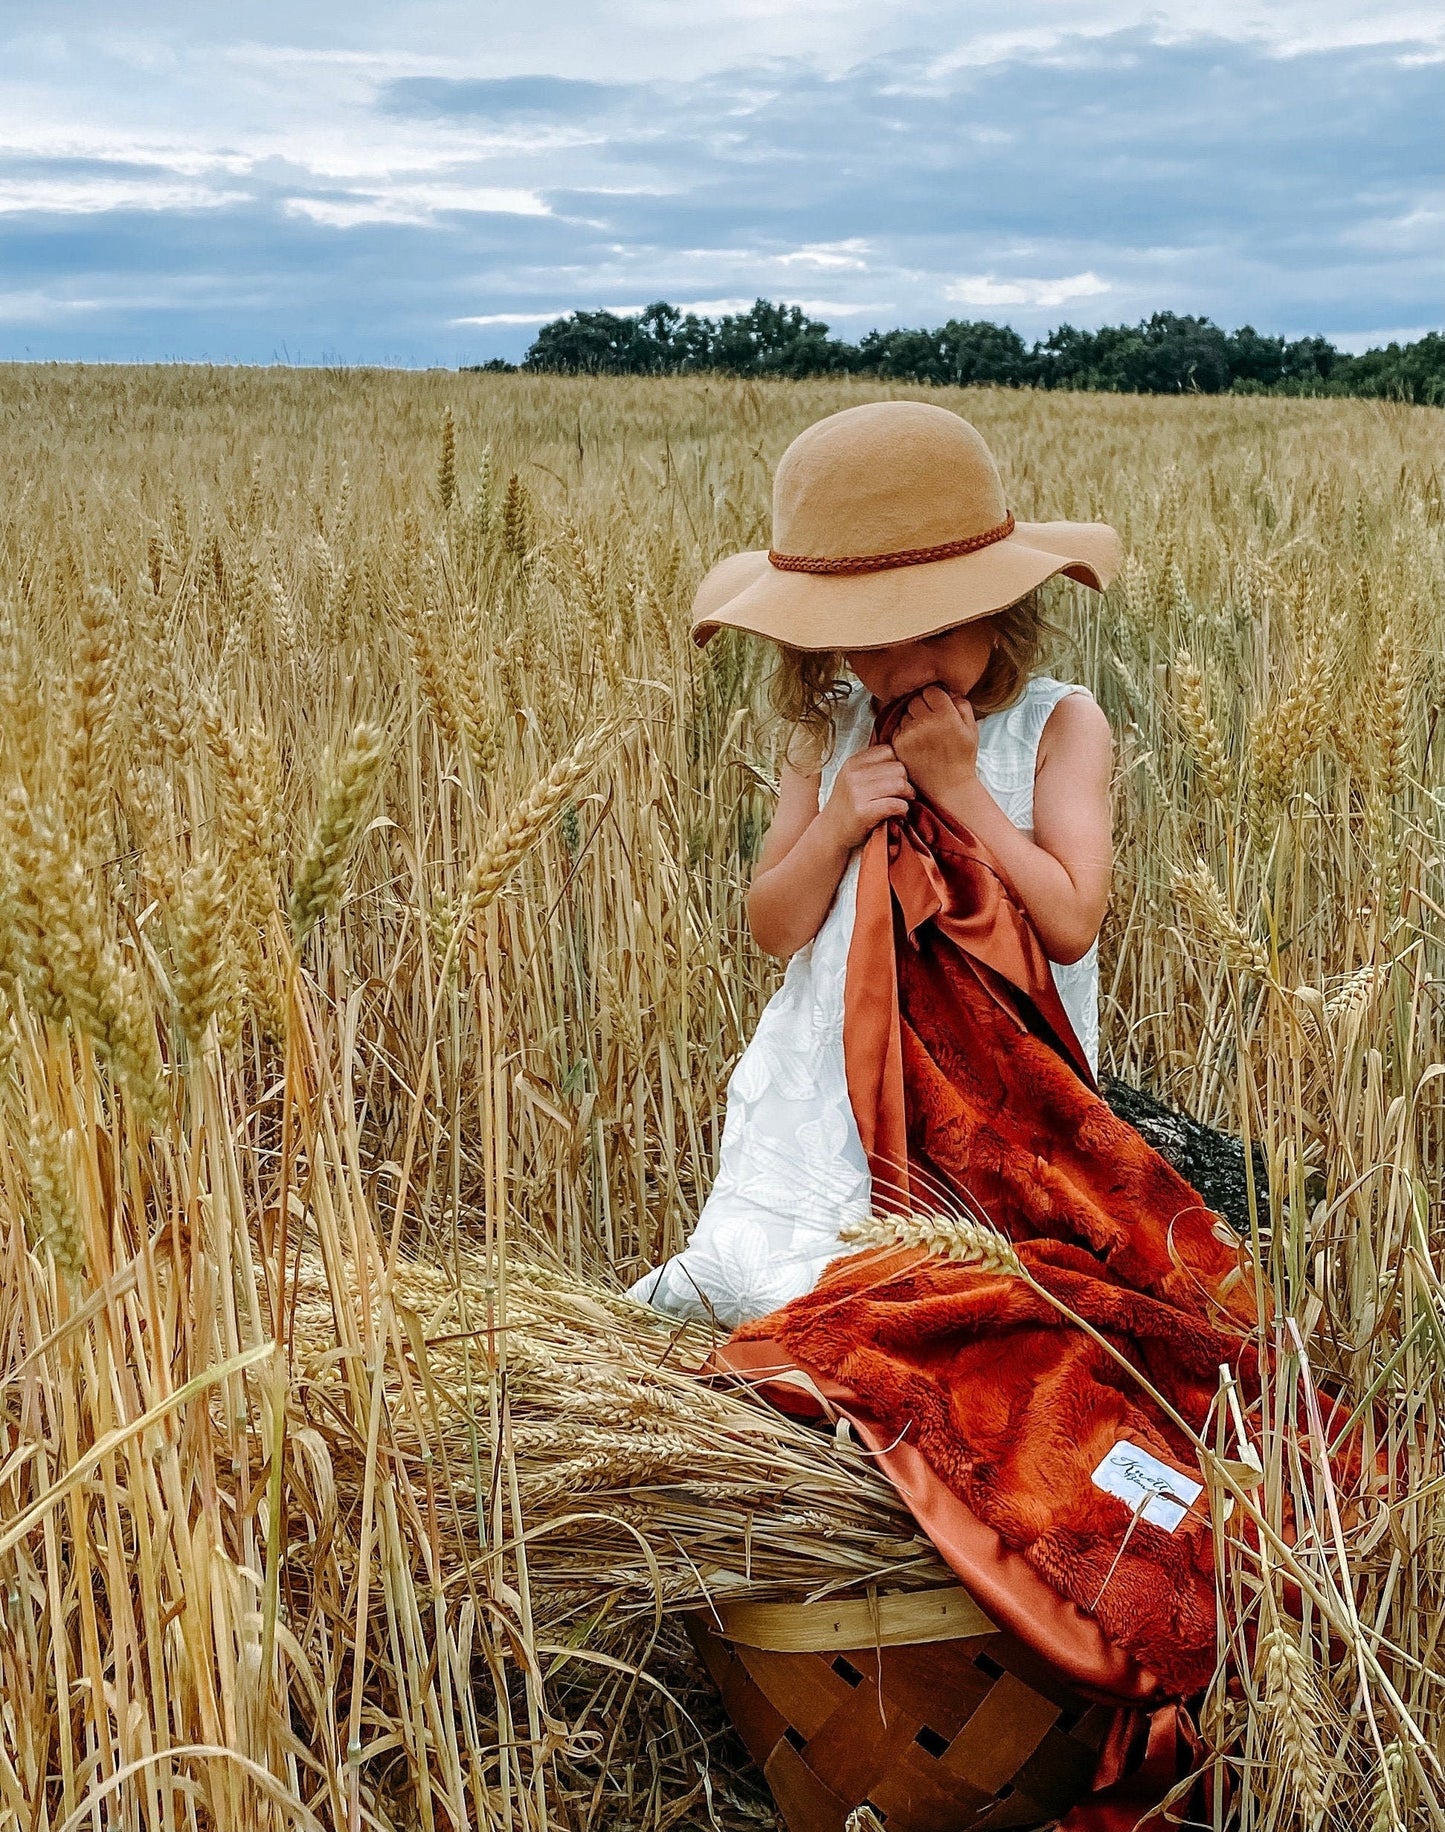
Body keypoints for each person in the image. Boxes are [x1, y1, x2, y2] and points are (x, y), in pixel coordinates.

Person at [627, 399, 1121, 1327]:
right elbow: (775, 927)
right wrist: (835, 825)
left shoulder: (1061, 723)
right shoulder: (829, 733)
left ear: (1001, 609)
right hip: (824, 1087)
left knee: (969, 1312)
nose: (901, 668)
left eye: (934, 630)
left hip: (995, 1092)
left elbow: (1068, 922)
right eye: (869, 639)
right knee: (775, 1290)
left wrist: (962, 789)